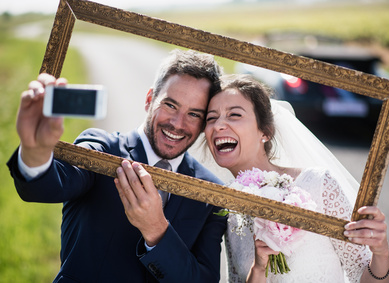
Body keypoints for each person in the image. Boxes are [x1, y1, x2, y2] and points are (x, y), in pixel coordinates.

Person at [7, 49, 227, 283]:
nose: (177, 124)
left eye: (194, 114)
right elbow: (46, 186)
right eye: (171, 105)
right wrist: (35, 150)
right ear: (149, 99)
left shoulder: (210, 192)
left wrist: (157, 230)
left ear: (204, 123)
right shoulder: (103, 148)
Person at [202, 74, 389, 283]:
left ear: (265, 132)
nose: (218, 125)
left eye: (234, 115)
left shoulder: (318, 185)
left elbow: (363, 275)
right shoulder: (229, 207)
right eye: (211, 118)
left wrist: (381, 253)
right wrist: (258, 271)